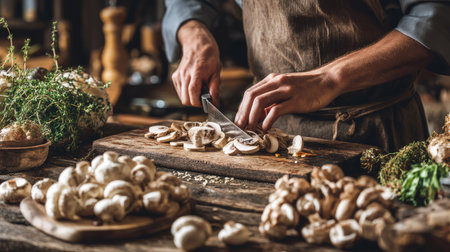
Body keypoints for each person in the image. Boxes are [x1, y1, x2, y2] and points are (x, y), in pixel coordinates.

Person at [162, 0, 450, 152]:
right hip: (269, 129)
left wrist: (329, 78)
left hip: (375, 132)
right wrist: (193, 33)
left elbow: (435, 20)